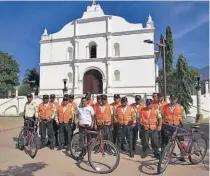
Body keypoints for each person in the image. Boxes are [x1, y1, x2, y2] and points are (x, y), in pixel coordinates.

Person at [161, 94, 186, 161]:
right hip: (168, 126)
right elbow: (162, 116)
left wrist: (180, 120)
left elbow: (184, 116)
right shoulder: (165, 107)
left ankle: (182, 155)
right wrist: (164, 123)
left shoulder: (180, 107)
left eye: (174, 99)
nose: (173, 100)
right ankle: (167, 154)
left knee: (180, 141)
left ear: (177, 99)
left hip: (178, 126)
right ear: (170, 99)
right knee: (168, 140)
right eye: (172, 99)